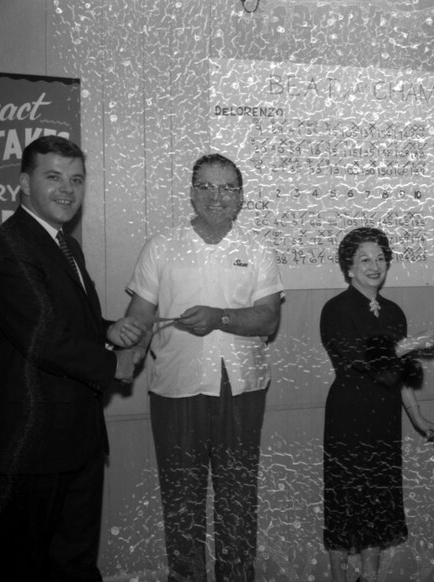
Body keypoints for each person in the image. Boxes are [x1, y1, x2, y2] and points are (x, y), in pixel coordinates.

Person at [0, 135, 146, 581]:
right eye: (53, 177)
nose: (67, 189)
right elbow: (44, 338)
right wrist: (115, 364)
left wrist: (107, 329)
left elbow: (64, 319)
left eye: (77, 179)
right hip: (26, 452)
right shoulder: (10, 248)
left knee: (75, 567)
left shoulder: (62, 244)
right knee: (24, 571)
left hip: (73, 442)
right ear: (24, 183)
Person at [124, 153, 283, 582]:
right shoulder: (161, 246)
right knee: (181, 499)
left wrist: (220, 317)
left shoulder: (258, 249)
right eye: (207, 187)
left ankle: (237, 575)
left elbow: (268, 318)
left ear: (241, 197)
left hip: (241, 390)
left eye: (228, 187)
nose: (217, 196)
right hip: (176, 389)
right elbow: (139, 320)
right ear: (192, 193)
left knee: (237, 498)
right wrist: (121, 357)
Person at [320, 226, 434, 582]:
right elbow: (360, 360)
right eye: (364, 260)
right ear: (349, 267)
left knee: (377, 499)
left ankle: (370, 576)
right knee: (346, 501)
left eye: (380, 258)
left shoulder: (393, 311)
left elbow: (399, 371)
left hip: (385, 418)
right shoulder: (335, 309)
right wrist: (412, 344)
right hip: (348, 416)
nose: (374, 266)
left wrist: (417, 416)